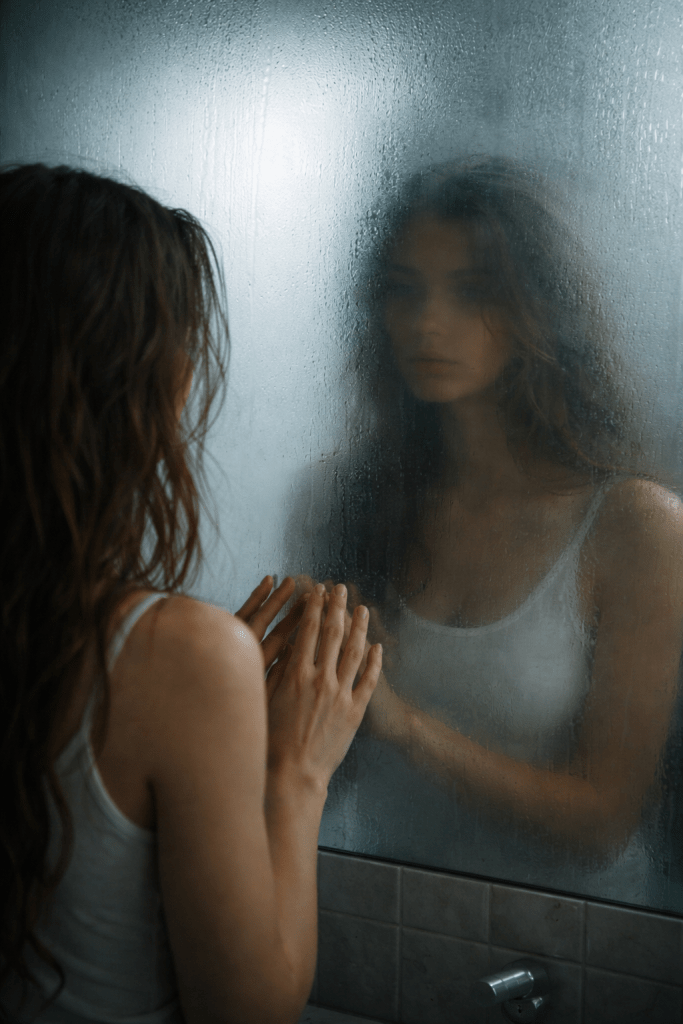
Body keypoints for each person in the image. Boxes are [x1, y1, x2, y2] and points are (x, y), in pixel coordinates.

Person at [0, 163, 382, 1024]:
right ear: (139, 387)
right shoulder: (181, 655)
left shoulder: (164, 652)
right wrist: (293, 768)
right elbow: (248, 1013)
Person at [297, 156, 683, 901]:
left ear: (538, 308)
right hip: (389, 926)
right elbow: (321, 763)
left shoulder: (635, 528)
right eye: (403, 291)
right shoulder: (351, 499)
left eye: (470, 290)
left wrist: (406, 726)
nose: (427, 323)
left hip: (573, 957)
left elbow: (603, 821)